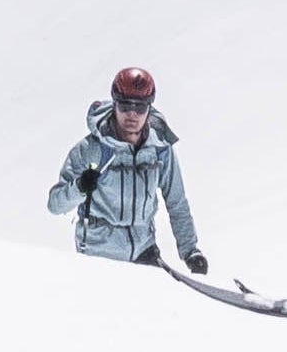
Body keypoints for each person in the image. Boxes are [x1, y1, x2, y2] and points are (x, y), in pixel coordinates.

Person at [48, 67, 207, 271]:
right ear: (114, 104)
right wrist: (79, 188)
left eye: (140, 107)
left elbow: (177, 202)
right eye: (125, 106)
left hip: (144, 250)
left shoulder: (160, 150)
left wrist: (190, 251)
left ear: (149, 108)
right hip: (99, 255)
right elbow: (55, 204)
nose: (132, 114)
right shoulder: (91, 149)